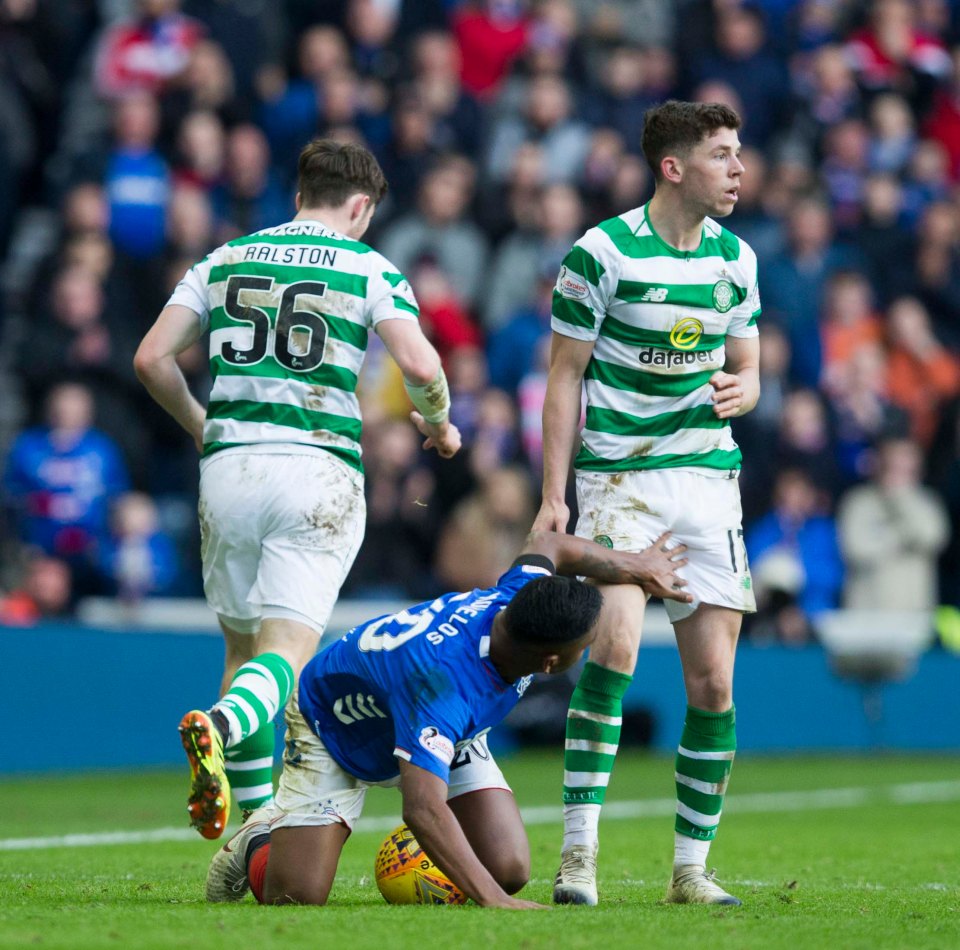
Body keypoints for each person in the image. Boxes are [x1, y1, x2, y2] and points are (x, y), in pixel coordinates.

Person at [134, 138, 461, 838]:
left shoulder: (225, 258)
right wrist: (439, 424)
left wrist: (201, 424)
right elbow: (420, 363)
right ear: (361, 207)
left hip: (228, 470)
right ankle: (221, 726)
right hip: (315, 470)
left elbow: (151, 358)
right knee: (285, 655)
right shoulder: (367, 266)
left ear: (296, 196)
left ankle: (249, 837)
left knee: (241, 651)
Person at [203, 528, 692, 909]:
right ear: (549, 662)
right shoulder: (446, 685)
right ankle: (258, 842)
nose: (583, 655)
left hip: (439, 726)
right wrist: (491, 901)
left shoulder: (520, 599)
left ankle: (437, 871)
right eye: (580, 650)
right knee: (299, 895)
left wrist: (638, 566)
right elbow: (421, 808)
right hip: (336, 725)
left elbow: (548, 544)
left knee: (508, 865)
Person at [533, 100, 762, 907]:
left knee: (714, 688)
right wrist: (553, 496)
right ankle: (578, 856)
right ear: (674, 168)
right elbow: (564, 376)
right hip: (619, 479)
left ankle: (690, 871)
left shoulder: (737, 260)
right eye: (722, 155)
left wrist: (750, 385)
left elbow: (750, 361)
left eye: (739, 154)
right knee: (617, 648)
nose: (738, 169)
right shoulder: (600, 253)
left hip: (704, 479)